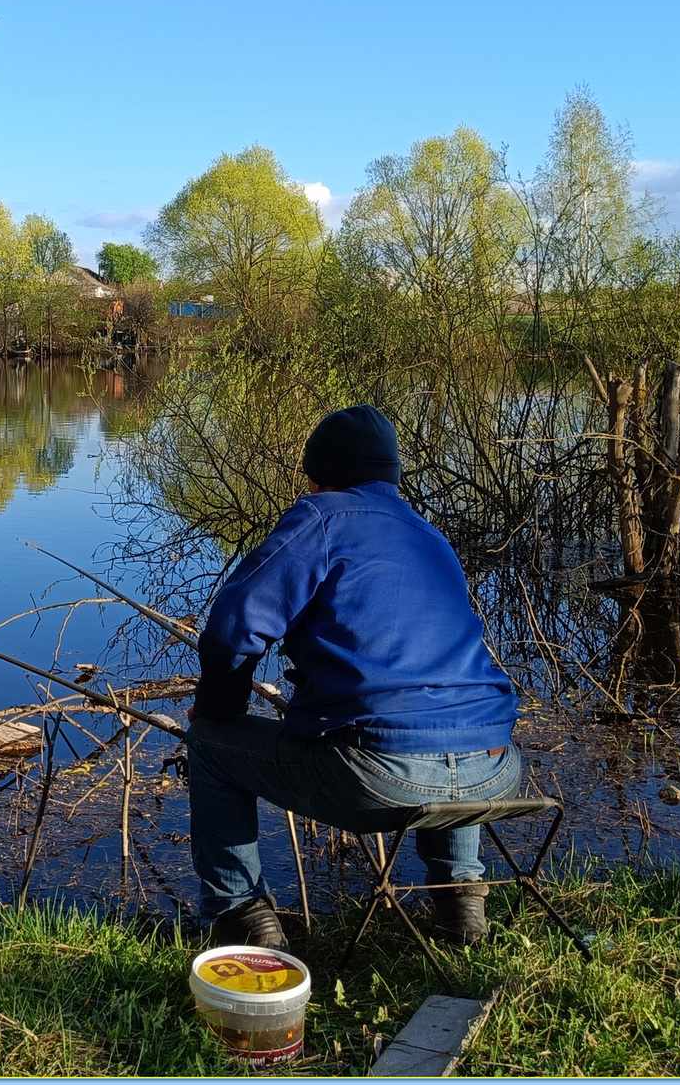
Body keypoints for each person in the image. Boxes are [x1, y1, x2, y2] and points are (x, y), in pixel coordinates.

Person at [187, 404, 521, 952]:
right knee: (444, 717)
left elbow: (232, 628)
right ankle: (462, 905)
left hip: (381, 779)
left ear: (319, 477)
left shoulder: (320, 518)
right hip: (495, 773)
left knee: (208, 743)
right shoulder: (430, 537)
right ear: (390, 476)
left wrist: (221, 707)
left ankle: (241, 916)